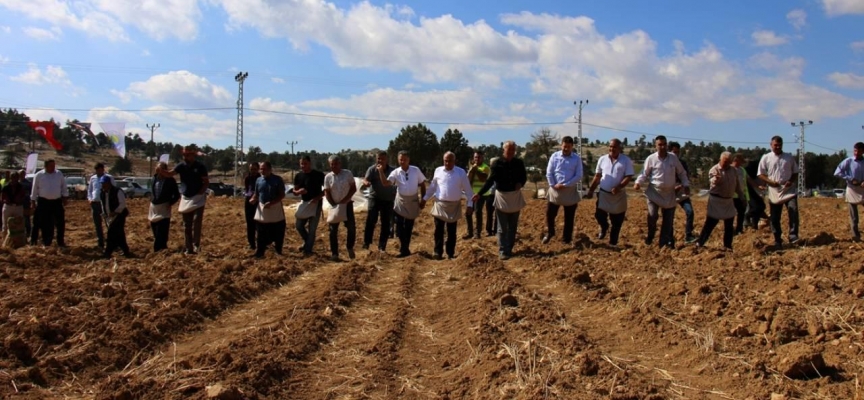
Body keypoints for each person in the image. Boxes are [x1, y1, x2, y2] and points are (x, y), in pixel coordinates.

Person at [473, 141, 527, 260]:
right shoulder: (497, 164)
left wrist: (520, 183)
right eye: (509, 150)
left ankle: (509, 248)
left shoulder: (519, 163)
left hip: (514, 196)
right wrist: (479, 194)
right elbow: (490, 181)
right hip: (501, 196)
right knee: (502, 227)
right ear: (504, 150)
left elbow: (524, 176)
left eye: (513, 150)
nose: (511, 152)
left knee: (513, 226)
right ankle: (503, 250)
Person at [634, 136, 690, 248]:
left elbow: (682, 173)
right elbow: (644, 173)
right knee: (652, 215)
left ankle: (663, 244)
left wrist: (686, 184)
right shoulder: (651, 158)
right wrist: (638, 183)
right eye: (660, 144)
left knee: (668, 221)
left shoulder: (673, 158)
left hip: (669, 193)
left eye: (664, 144)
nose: (662, 147)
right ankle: (650, 236)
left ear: (667, 145)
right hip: (654, 192)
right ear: (655, 146)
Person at [585, 139, 634, 248]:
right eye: (610, 146)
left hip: (618, 195)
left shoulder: (626, 161)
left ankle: (613, 242)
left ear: (619, 148)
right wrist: (591, 190)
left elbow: (629, 176)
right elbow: (597, 176)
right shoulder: (602, 159)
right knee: (599, 215)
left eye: (615, 147)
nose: (612, 149)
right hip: (603, 194)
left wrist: (619, 187)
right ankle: (604, 226)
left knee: (617, 220)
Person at [424, 152, 473, 259]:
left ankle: (450, 252)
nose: (447, 163)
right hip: (440, 204)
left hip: (454, 206)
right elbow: (432, 187)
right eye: (445, 160)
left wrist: (470, 204)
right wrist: (424, 199)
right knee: (438, 229)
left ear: (454, 161)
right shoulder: (438, 170)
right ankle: (438, 252)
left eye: (450, 160)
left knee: (452, 231)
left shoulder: (461, 172)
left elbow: (468, 190)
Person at [162, 146, 209, 255]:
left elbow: (206, 182)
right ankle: (189, 248)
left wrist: (201, 192)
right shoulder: (181, 166)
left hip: (198, 198)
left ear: (193, 155)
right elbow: (170, 174)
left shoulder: (200, 167)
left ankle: (196, 244)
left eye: (188, 155)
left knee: (196, 222)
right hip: (186, 197)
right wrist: (162, 171)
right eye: (184, 155)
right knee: (187, 224)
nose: (185, 157)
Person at [696, 152, 745, 250]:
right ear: (720, 160)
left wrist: (741, 195)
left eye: (728, 162)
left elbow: (737, 185)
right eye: (724, 162)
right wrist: (716, 180)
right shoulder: (714, 169)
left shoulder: (733, 171)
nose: (726, 164)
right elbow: (712, 179)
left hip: (728, 201)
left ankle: (727, 246)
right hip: (716, 201)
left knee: (729, 225)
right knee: (710, 223)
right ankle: (699, 243)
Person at [382, 151, 427, 258]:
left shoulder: (415, 170)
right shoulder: (396, 172)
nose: (402, 162)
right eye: (400, 160)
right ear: (398, 160)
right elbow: (386, 183)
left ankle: (405, 248)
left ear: (408, 160)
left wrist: (423, 200)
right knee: (399, 226)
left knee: (409, 226)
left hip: (412, 201)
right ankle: (404, 248)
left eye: (404, 160)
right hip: (400, 202)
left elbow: (422, 184)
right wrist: (380, 172)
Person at [757, 136, 800, 249]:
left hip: (788, 190)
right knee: (775, 217)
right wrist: (770, 182)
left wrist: (790, 181)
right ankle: (777, 239)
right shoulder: (766, 157)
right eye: (775, 145)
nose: (778, 147)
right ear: (771, 145)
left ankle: (793, 235)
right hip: (774, 190)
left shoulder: (789, 157)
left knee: (793, 210)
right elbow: (760, 174)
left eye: (780, 145)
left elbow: (796, 172)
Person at [542, 136, 583, 245]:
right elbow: (549, 172)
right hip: (555, 190)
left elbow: (579, 175)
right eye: (565, 146)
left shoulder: (576, 159)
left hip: (569, 191)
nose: (566, 149)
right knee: (550, 214)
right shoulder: (554, 156)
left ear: (572, 147)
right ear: (561, 145)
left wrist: (565, 185)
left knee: (569, 217)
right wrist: (553, 184)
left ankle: (567, 239)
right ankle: (550, 233)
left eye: (568, 147)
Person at [323, 155, 357, 261]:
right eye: (332, 164)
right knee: (333, 231)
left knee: (351, 228)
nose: (334, 166)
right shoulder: (328, 177)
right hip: (334, 206)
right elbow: (327, 192)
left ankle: (349, 247)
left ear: (340, 164)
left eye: (336, 164)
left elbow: (353, 188)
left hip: (347, 205)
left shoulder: (348, 174)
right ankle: (334, 253)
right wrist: (333, 204)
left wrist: (345, 200)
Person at [362, 151, 396, 251]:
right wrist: (366, 182)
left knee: (385, 223)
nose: (380, 161)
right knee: (371, 220)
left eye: (382, 159)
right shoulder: (372, 169)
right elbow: (365, 179)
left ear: (387, 160)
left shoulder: (393, 170)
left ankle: (382, 246)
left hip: (388, 199)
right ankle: (367, 242)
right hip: (374, 198)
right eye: (378, 159)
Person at [250, 161, 286, 257]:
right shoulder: (258, 180)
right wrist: (253, 199)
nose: (262, 171)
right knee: (261, 232)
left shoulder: (277, 180)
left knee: (278, 232)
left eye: (264, 169)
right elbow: (257, 194)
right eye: (261, 169)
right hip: (262, 209)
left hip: (275, 209)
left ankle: (278, 251)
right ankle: (260, 252)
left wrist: (272, 203)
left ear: (270, 169)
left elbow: (282, 194)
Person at [30, 159, 68, 248]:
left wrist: (65, 197)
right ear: (46, 166)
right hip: (44, 202)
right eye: (51, 166)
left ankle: (60, 241)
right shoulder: (39, 175)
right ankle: (46, 242)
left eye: (54, 165)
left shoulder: (59, 174)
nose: (53, 167)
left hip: (56, 202)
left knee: (60, 222)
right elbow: (34, 189)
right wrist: (33, 201)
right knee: (45, 223)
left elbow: (63, 186)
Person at [293, 155, 326, 256]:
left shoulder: (319, 175)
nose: (303, 166)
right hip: (305, 204)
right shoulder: (298, 176)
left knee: (312, 228)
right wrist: (299, 191)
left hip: (316, 204)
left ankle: (308, 250)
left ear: (310, 163)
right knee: (299, 225)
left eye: (305, 163)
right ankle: (308, 242)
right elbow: (294, 191)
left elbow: (326, 189)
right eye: (301, 164)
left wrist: (317, 198)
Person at [833, 142, 864, 241]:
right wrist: (850, 178)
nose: (856, 153)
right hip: (852, 189)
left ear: (863, 151)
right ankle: (856, 236)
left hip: (863, 189)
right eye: (855, 150)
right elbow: (837, 172)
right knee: (853, 216)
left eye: (859, 151)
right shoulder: (848, 161)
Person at [149, 162, 180, 252]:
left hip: (164, 207)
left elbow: (177, 195)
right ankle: (162, 247)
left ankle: (158, 249)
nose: (159, 171)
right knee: (154, 226)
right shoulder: (154, 178)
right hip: (154, 207)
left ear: (165, 170)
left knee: (162, 229)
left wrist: (170, 203)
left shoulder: (170, 180)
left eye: (162, 169)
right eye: (158, 169)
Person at [669, 142, 696, 243]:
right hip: (670, 193)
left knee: (690, 212)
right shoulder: (666, 163)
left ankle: (688, 235)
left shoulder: (682, 163)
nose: (676, 154)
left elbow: (685, 176)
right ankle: (670, 238)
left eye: (678, 152)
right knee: (669, 216)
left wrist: (684, 185)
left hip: (681, 192)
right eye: (674, 152)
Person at [100, 175, 132, 258]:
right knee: (119, 234)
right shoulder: (102, 193)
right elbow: (103, 204)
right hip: (110, 217)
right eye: (102, 183)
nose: (103, 185)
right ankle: (126, 250)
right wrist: (104, 213)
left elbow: (122, 204)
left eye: (105, 183)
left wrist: (115, 212)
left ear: (109, 183)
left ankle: (108, 252)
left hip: (119, 216)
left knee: (111, 234)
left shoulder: (117, 191)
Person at [465, 151, 492, 239]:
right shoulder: (472, 167)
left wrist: (475, 169)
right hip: (471, 193)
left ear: (482, 158)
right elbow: (468, 179)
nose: (477, 159)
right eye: (475, 157)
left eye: (479, 157)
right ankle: (470, 232)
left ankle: (478, 233)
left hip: (481, 194)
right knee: (468, 212)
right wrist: (471, 170)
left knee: (478, 211)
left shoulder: (485, 168)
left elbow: (482, 178)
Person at [87, 163, 114, 249]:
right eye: (97, 170)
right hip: (95, 203)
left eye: (100, 170)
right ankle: (100, 243)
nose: (99, 171)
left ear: (103, 169)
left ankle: (112, 242)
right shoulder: (93, 178)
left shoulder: (109, 177)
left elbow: (114, 189)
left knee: (108, 223)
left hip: (105, 203)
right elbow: (90, 190)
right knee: (97, 224)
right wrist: (90, 199)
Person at [744, 158, 769, 229]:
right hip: (750, 189)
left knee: (760, 207)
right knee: (758, 206)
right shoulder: (755, 165)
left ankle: (754, 225)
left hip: (759, 189)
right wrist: (757, 186)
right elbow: (748, 178)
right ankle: (747, 216)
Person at [243, 162, 261, 250]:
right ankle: (251, 244)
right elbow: (247, 189)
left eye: (254, 169)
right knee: (250, 223)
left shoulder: (261, 178)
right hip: (249, 201)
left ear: (258, 169)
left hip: (258, 202)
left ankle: (262, 242)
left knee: (259, 223)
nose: (253, 171)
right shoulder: (247, 178)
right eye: (251, 169)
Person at [731, 154, 749, 235]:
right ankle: (730, 229)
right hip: (731, 196)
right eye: (741, 161)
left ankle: (739, 229)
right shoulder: (730, 169)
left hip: (740, 195)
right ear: (736, 160)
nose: (742, 163)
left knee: (741, 212)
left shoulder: (742, 170)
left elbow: (747, 180)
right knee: (730, 214)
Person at [18, 169, 32, 240]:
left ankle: (28, 232)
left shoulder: (28, 183)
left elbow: (31, 193)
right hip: (17, 204)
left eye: (23, 174)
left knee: (26, 218)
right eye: (20, 174)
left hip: (25, 203)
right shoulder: (16, 183)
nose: (21, 175)